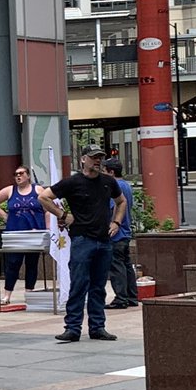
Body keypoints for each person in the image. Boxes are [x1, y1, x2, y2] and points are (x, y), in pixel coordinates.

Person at [38, 143, 126, 342]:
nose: (98, 161)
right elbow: (43, 197)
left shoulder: (108, 182)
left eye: (100, 157)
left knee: (99, 286)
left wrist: (116, 222)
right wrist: (63, 214)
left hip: (104, 241)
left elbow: (121, 202)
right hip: (81, 240)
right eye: (94, 157)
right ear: (83, 159)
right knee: (79, 284)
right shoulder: (72, 182)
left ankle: (97, 327)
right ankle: (73, 327)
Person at [0, 164, 48, 306]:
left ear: (28, 175)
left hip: (34, 234)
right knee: (13, 263)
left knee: (32, 264)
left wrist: (47, 228)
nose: (18, 176)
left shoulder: (38, 190)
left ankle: (29, 292)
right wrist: (4, 216)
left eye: (21, 173)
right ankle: (7, 294)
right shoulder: (10, 190)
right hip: (15, 234)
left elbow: (48, 209)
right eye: (16, 174)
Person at [102, 158, 138, 309]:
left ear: (111, 172)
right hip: (125, 231)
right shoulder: (126, 185)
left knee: (116, 266)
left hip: (116, 233)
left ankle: (121, 298)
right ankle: (132, 296)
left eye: (104, 171)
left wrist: (111, 224)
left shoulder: (115, 187)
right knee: (126, 265)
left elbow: (114, 207)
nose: (102, 174)